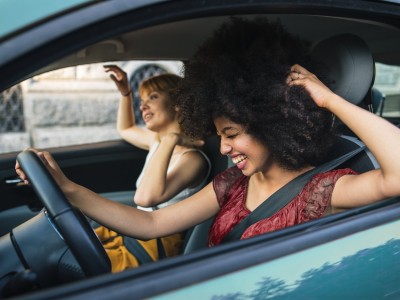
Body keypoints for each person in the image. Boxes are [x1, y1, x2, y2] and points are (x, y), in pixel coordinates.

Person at [16, 18, 400, 254]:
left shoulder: (322, 192)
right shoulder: (234, 182)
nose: (224, 147)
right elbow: (151, 224)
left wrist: (329, 100)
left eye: (231, 133)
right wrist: (69, 191)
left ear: (272, 122)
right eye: (218, 135)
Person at [91, 65, 211, 271]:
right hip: (134, 231)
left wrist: (171, 139)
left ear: (178, 104)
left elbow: (145, 198)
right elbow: (125, 129)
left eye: (153, 97)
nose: (143, 106)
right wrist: (125, 93)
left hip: (152, 246)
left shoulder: (192, 159)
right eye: (141, 101)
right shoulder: (156, 141)